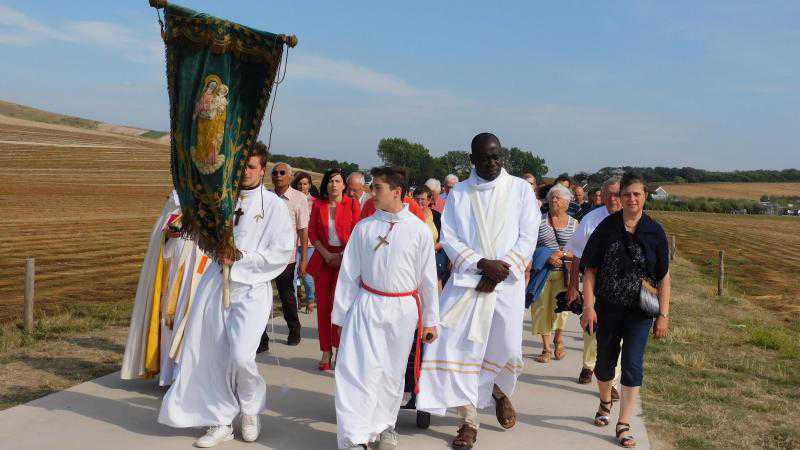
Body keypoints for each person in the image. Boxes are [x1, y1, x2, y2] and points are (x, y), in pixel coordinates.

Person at [158, 146, 296, 448]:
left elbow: (283, 251)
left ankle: (249, 409)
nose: (245, 172)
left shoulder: (273, 206)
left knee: (241, 356)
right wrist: (211, 243)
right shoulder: (221, 201)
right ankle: (219, 419)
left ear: (262, 170)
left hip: (251, 288)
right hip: (215, 284)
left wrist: (240, 257)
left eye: (251, 167)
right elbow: (203, 239)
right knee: (208, 352)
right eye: (241, 167)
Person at [417, 133, 540, 449]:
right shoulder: (459, 192)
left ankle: (499, 391)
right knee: (460, 351)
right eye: (486, 157)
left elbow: (528, 236)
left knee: (507, 347)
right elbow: (452, 237)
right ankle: (468, 422)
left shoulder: (520, 190)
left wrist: (501, 269)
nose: (493, 162)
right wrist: (481, 264)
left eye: (497, 156)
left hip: (506, 285)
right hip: (469, 283)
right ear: (472, 159)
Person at [332, 166, 440, 450]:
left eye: (377, 187)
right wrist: (340, 317)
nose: (371, 192)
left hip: (403, 309)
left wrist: (430, 320)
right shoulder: (364, 227)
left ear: (397, 191)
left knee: (391, 373)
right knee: (358, 371)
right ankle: (355, 437)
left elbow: (428, 279)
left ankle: (385, 426)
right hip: (367, 305)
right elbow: (348, 274)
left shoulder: (418, 230)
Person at [581, 172, 671, 448]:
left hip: (641, 311)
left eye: (637, 194)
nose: (632, 199)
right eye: (627, 194)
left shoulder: (655, 232)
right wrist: (588, 306)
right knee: (605, 364)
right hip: (608, 308)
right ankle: (606, 400)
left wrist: (663, 314)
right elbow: (590, 270)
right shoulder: (606, 229)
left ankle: (623, 423)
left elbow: (664, 276)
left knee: (632, 364)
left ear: (644, 197)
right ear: (619, 198)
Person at [121, 191, 210, 387]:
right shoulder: (175, 199)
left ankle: (190, 376)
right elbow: (162, 235)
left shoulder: (212, 195)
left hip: (200, 267)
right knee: (170, 321)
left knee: (195, 320)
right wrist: (170, 231)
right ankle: (170, 376)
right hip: (174, 267)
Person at [565, 177, 623, 393]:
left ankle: (613, 381)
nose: (612, 199)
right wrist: (572, 286)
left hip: (622, 285)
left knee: (619, 333)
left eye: (617, 194)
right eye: (607, 194)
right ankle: (589, 365)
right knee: (592, 325)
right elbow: (577, 256)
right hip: (594, 282)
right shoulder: (591, 219)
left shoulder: (632, 220)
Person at [307, 168, 361, 371]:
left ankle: (339, 348)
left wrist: (341, 256)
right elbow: (312, 232)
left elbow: (357, 232)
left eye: (338, 181)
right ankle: (325, 350)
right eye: (330, 181)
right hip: (323, 258)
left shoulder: (353, 204)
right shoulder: (318, 204)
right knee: (323, 307)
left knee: (339, 306)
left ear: (344, 185)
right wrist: (326, 254)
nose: (334, 184)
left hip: (345, 259)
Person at [257, 162, 309, 351]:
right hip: (264, 256)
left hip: (287, 257)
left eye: (282, 172)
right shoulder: (266, 197)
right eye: (274, 173)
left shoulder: (299, 198)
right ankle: (261, 338)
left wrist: (304, 259)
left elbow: (303, 230)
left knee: (286, 295)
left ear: (290, 176)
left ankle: (294, 328)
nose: (278, 176)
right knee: (262, 297)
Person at [530, 184, 578, 363]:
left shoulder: (574, 224)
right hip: (542, 272)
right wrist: (547, 256)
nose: (554, 200)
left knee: (561, 309)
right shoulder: (538, 221)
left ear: (567, 202)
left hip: (564, 274)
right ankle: (546, 348)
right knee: (541, 309)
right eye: (551, 197)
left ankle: (559, 338)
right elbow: (529, 246)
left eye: (558, 197)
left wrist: (562, 254)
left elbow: (578, 250)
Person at [413, 185, 449, 284]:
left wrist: (430, 248)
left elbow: (445, 239)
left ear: (429, 200)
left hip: (433, 260)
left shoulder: (437, 216)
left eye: (422, 199)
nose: (419, 202)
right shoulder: (408, 216)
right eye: (416, 199)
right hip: (414, 261)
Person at [292, 171, 317, 312]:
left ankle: (310, 300)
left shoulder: (314, 202)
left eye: (305, 184)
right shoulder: (291, 200)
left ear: (310, 185)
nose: (302, 186)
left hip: (309, 244)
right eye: (300, 184)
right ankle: (294, 304)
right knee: (293, 275)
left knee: (307, 275)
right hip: (294, 243)